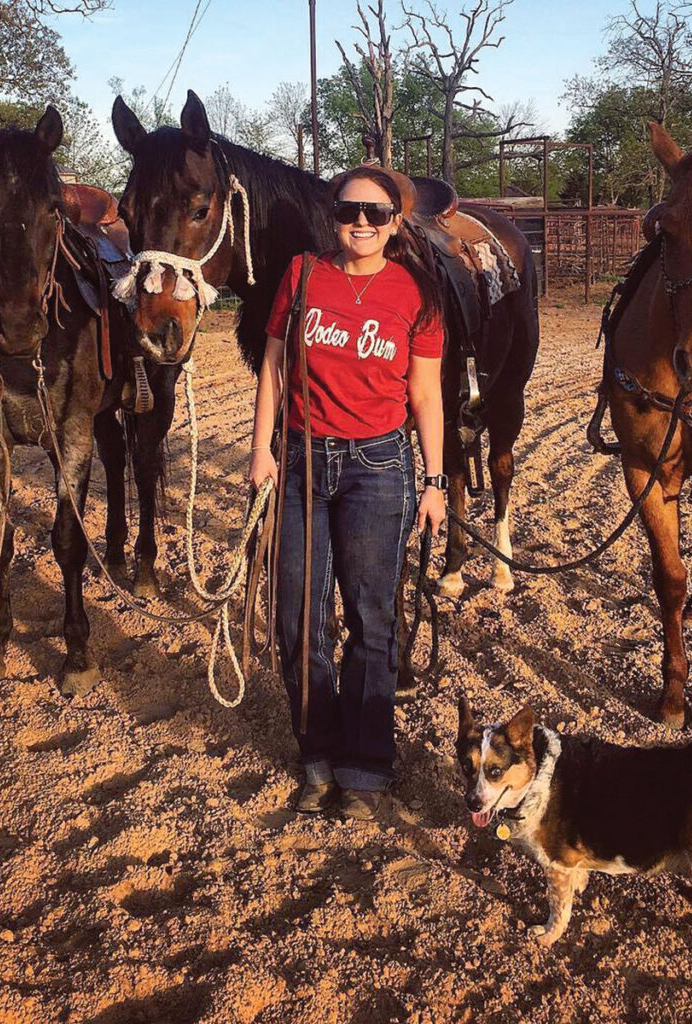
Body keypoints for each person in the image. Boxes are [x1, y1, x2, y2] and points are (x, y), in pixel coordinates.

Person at [248, 165, 446, 820]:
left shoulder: (416, 293)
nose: (360, 223)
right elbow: (274, 365)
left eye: (375, 213)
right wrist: (260, 451)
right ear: (332, 215)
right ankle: (317, 754)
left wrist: (436, 481)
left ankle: (366, 764)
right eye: (348, 211)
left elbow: (425, 395)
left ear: (396, 223)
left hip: (379, 468)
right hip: (302, 463)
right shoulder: (303, 274)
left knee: (371, 617)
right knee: (297, 617)